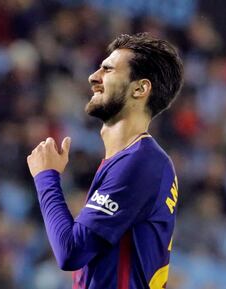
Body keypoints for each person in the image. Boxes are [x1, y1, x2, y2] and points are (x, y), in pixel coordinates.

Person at [27, 33, 183, 289]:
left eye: (108, 69)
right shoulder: (131, 160)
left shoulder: (141, 162)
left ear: (140, 88)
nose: (93, 77)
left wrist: (46, 178)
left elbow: (71, 251)